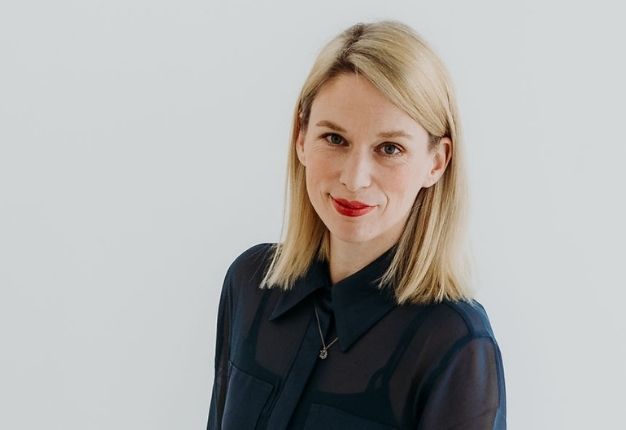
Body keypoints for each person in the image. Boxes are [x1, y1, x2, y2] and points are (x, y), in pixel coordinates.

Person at [207, 21, 505, 430]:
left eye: (389, 148)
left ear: (436, 162)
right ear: (301, 138)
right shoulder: (250, 283)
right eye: (335, 139)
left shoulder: (454, 342)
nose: (355, 178)